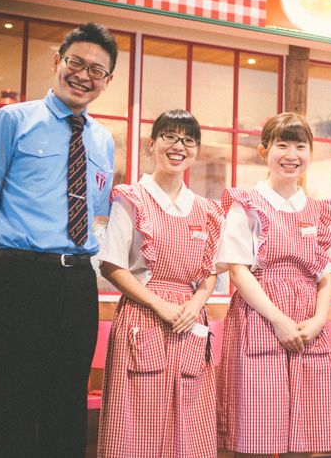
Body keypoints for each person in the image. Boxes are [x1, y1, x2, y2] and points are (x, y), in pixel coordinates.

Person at [0, 22, 117, 457]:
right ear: (57, 61)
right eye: (76, 63)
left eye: (96, 70)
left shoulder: (103, 139)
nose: (83, 76)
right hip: (20, 278)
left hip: (78, 283)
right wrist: (12, 260)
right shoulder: (11, 121)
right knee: (12, 402)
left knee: (67, 405)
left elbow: (95, 213)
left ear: (107, 81)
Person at [216, 112, 331, 456]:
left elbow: (327, 273)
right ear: (264, 152)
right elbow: (238, 270)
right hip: (259, 318)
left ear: (311, 153)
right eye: (282, 145)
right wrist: (277, 318)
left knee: (308, 431)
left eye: (300, 146)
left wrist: (319, 320)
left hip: (308, 325)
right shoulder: (246, 205)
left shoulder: (320, 211)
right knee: (256, 432)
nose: (292, 155)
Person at [97, 110, 223, 457]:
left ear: (196, 151)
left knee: (190, 424)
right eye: (169, 136)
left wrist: (195, 305)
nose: (178, 146)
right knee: (138, 424)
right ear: (151, 144)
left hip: (189, 319)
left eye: (188, 140)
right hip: (144, 315)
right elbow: (111, 265)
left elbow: (210, 271)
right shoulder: (132, 198)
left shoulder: (206, 209)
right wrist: (159, 304)